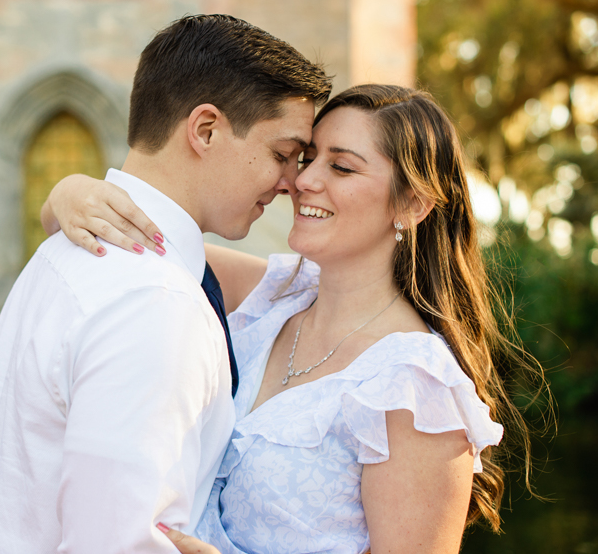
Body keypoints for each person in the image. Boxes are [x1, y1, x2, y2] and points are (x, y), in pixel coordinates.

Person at [45, 84, 546, 554]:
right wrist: (68, 192)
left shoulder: (415, 388)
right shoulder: (271, 296)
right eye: (307, 159)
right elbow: (130, 236)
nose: (302, 181)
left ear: (413, 204)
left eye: (342, 168)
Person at [0, 14, 332, 553]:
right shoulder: (158, 305)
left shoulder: (63, 252)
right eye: (283, 154)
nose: (292, 183)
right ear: (206, 130)